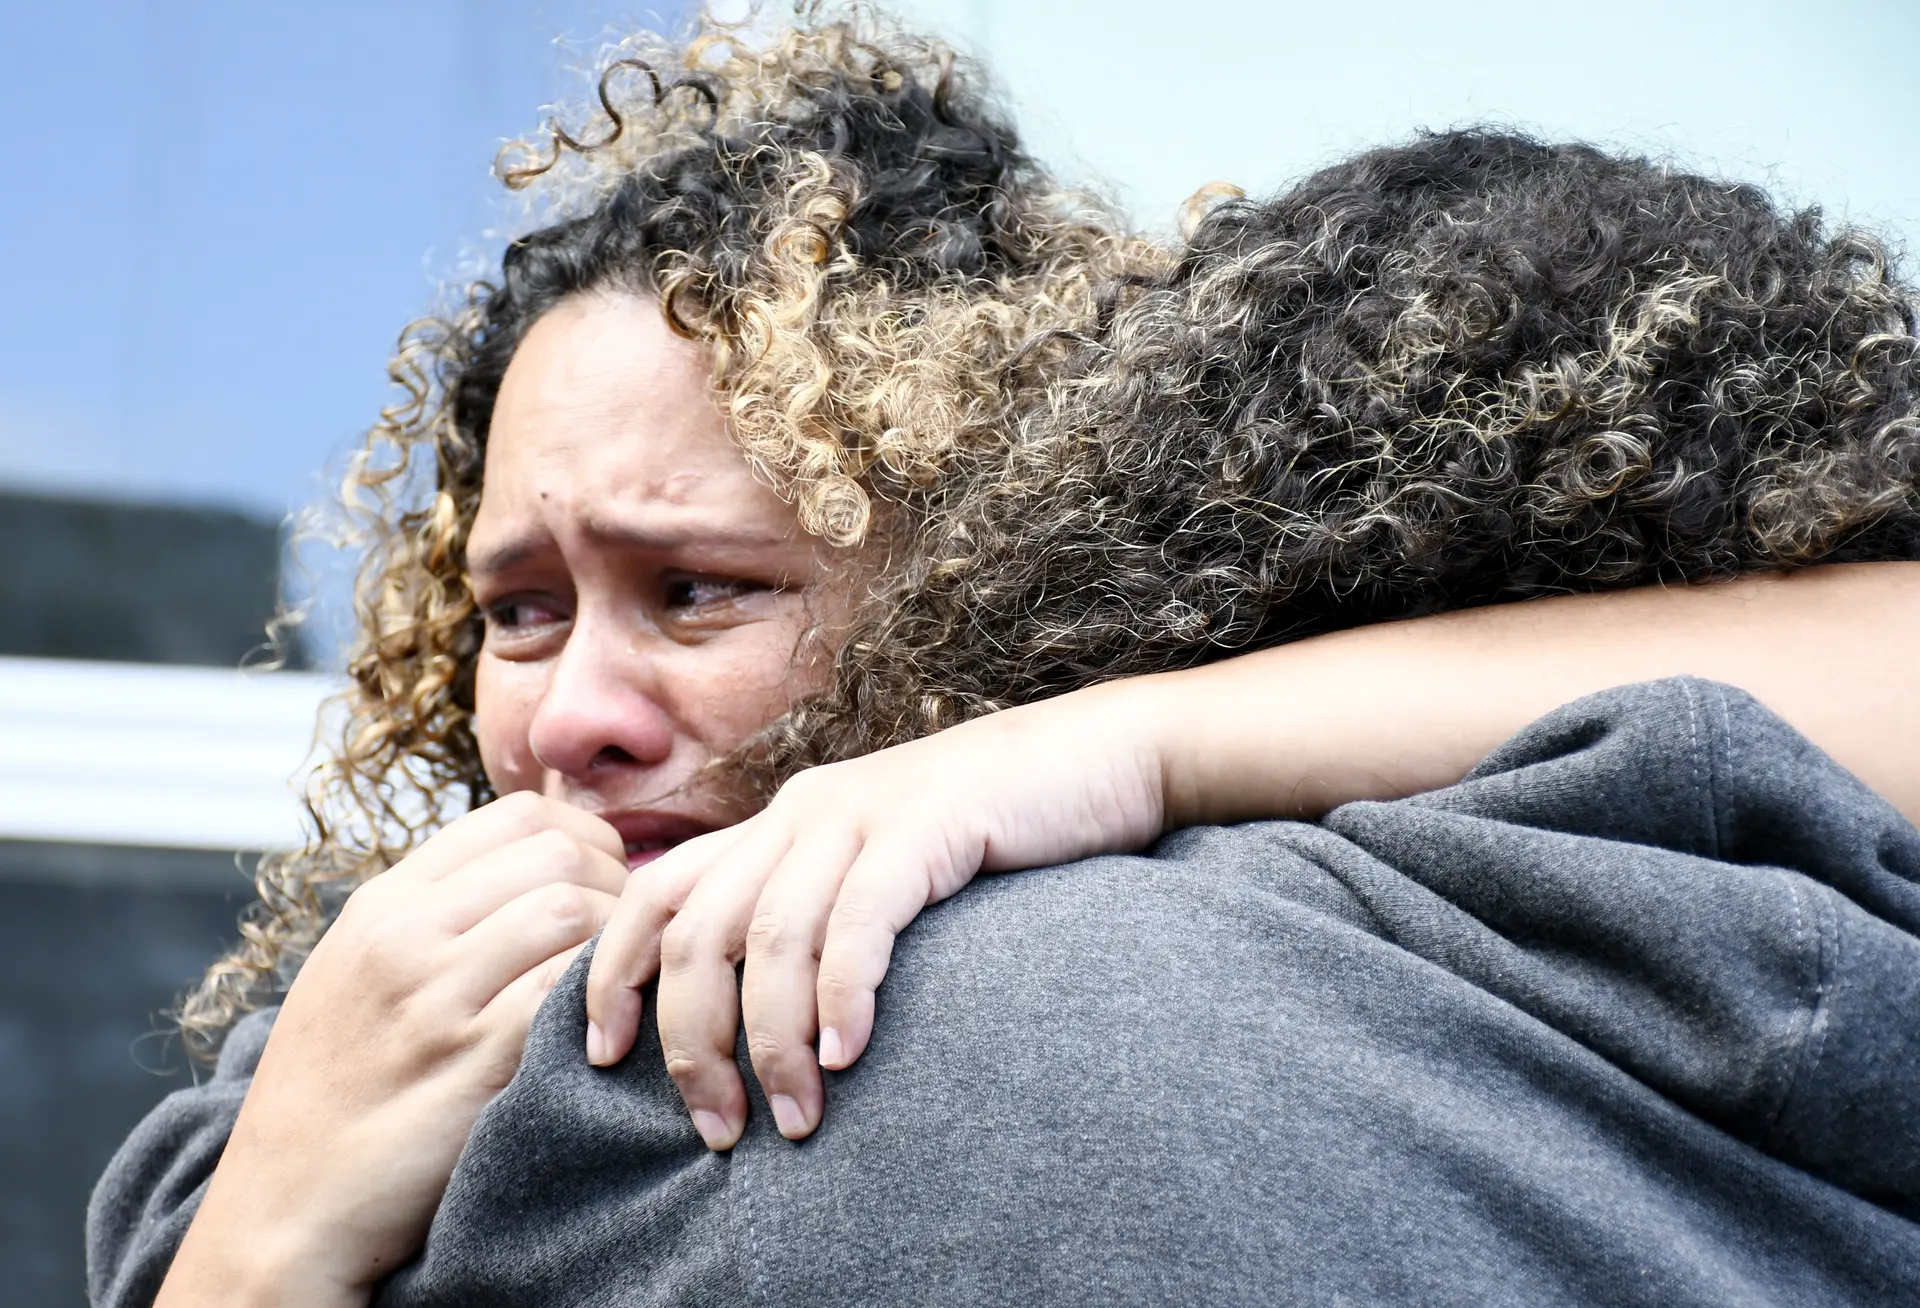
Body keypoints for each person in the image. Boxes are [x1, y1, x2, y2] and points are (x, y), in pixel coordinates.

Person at [89, 7, 1920, 1304]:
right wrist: (271, 1208)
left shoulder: (1165, 941)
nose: (571, 718)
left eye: (701, 590)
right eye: (517, 610)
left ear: (981, 570)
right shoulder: (330, 1070)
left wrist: (1111, 743)